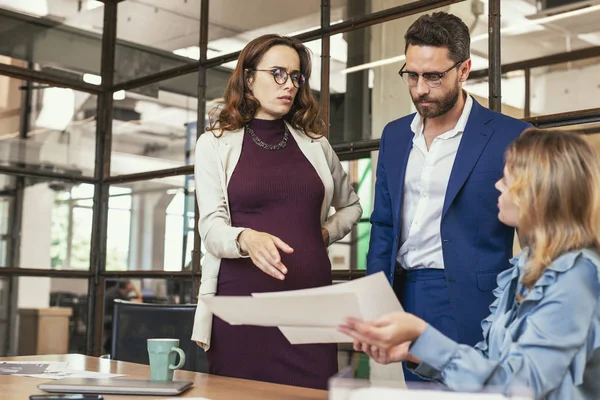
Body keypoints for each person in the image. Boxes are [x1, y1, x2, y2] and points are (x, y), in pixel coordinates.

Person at [341, 128, 600, 399]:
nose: (498, 185)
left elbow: (524, 385)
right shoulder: (525, 267)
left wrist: (424, 335)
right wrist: (415, 349)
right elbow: (491, 363)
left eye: (507, 178)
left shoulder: (577, 276)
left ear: (539, 192)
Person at [191, 34, 362, 390]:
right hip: (243, 309)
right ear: (249, 78)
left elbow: (352, 206)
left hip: (311, 309)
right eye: (278, 73)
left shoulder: (316, 145)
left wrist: (325, 233)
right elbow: (210, 229)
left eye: (296, 77)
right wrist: (246, 238)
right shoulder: (214, 144)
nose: (290, 85)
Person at [366, 12, 531, 380]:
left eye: (434, 76)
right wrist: (375, 302)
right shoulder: (394, 135)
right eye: (412, 75)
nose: (420, 89)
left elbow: (537, 238)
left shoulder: (512, 136)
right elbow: (383, 223)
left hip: (480, 301)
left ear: (464, 69)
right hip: (406, 294)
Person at [103, 280, 143, 354]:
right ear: (127, 285)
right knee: (126, 319)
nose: (132, 284)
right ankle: (119, 344)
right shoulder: (116, 294)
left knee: (128, 318)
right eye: (130, 283)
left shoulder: (117, 291)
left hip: (109, 316)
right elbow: (139, 300)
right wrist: (135, 289)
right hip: (107, 318)